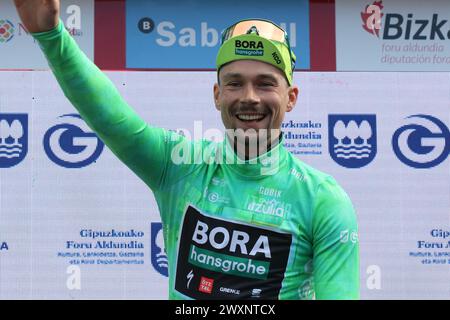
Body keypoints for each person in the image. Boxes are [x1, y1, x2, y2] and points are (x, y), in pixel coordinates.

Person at [14, 0, 359, 300]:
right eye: (235, 83)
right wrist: (52, 36)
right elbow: (111, 117)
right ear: (217, 95)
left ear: (291, 98)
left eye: (265, 84)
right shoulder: (181, 166)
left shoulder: (322, 200)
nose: (250, 97)